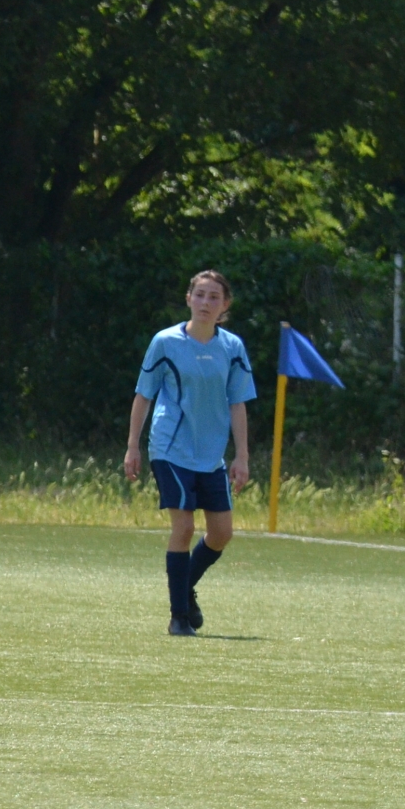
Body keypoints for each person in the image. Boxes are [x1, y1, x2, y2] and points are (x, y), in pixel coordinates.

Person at [123, 269, 254, 636]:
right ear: (188, 299)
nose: (205, 303)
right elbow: (143, 395)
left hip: (210, 455)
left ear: (225, 305)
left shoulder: (232, 347)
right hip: (170, 448)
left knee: (221, 533)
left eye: (214, 297)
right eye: (199, 295)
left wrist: (241, 456)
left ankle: (184, 588)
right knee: (183, 527)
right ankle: (178, 617)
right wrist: (132, 446)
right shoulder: (165, 342)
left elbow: (238, 403)